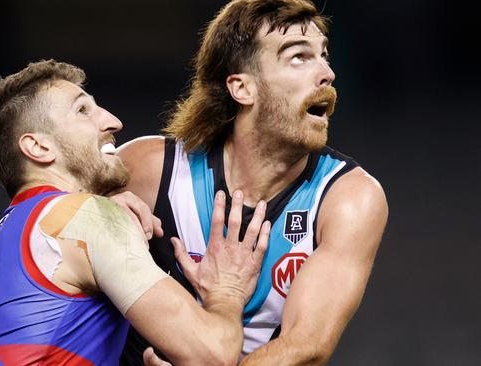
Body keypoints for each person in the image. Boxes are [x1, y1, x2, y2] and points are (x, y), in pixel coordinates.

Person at [118, 0, 389, 365]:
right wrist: (84, 210)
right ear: (242, 88)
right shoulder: (148, 169)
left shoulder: (349, 198)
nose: (327, 73)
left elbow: (306, 347)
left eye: (324, 56)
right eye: (298, 57)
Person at [0, 59, 272, 366]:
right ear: (38, 147)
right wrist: (227, 292)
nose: (112, 122)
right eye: (82, 110)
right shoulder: (88, 216)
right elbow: (211, 354)